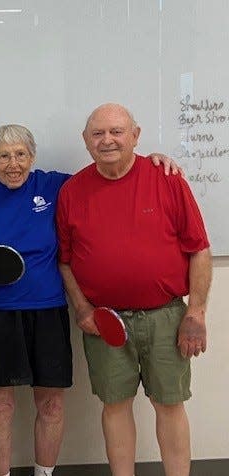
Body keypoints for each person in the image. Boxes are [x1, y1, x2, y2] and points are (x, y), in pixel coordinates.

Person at [0, 124, 180, 476]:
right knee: (0, 402)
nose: (13, 163)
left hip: (49, 309)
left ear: (32, 157)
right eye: (4, 156)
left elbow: (110, 173)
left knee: (52, 403)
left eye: (21, 154)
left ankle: (44, 473)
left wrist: (152, 161)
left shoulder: (56, 186)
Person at [56, 103, 212, 476]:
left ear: (135, 135)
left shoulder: (167, 178)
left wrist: (196, 313)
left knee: (170, 404)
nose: (107, 140)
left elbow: (199, 249)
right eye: (97, 133)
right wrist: (82, 309)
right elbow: (64, 260)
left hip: (167, 317)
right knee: (114, 405)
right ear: (85, 140)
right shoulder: (71, 191)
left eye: (116, 131)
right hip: (104, 322)